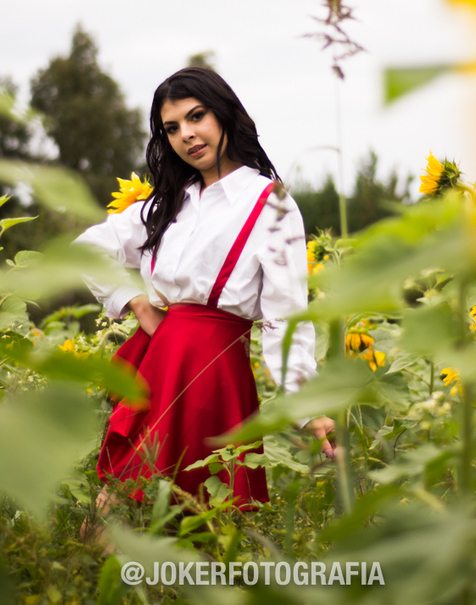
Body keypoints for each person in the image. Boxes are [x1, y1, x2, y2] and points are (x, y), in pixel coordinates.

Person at [74, 67, 335, 515]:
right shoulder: (167, 202)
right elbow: (86, 249)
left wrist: (308, 408)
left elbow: (284, 317)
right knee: (120, 502)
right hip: (157, 361)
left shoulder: (269, 202)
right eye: (172, 128)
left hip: (213, 372)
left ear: (225, 115)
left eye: (197, 117)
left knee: (203, 517)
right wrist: (136, 302)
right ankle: (99, 581)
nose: (187, 135)